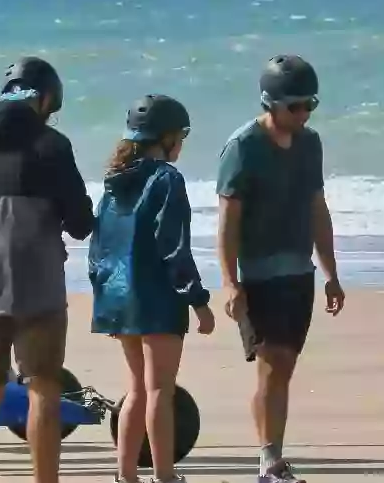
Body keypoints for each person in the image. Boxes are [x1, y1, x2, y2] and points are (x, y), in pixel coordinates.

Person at [0, 56, 95, 483]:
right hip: (38, 287)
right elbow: (81, 223)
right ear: (46, 99)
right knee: (43, 388)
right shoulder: (51, 145)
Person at [216, 54, 346, 483]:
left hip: (298, 272)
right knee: (272, 363)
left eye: (311, 104)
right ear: (270, 103)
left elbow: (317, 209)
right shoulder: (243, 147)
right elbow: (228, 220)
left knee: (285, 364)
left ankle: (273, 454)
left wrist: (331, 273)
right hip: (256, 274)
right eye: (296, 106)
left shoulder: (310, 144)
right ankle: (269, 460)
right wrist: (230, 283)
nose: (304, 113)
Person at [89, 94, 215, 483]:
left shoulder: (112, 185)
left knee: (136, 390)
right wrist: (197, 299)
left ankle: (126, 474)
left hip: (119, 297)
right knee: (160, 389)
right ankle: (164, 475)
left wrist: (104, 297)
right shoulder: (167, 179)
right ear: (167, 137)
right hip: (157, 297)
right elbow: (173, 246)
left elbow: (99, 247)